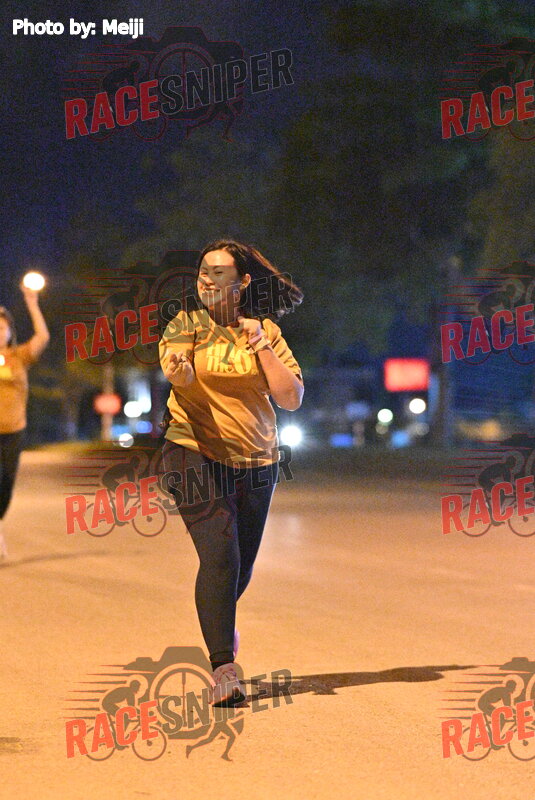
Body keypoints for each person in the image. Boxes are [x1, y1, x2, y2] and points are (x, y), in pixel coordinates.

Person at [159, 239, 304, 706]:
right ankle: (223, 668)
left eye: (219, 272)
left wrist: (260, 343)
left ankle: (221, 621)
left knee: (239, 567)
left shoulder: (266, 331)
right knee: (220, 556)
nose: (207, 279)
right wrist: (181, 371)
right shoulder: (185, 325)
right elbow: (180, 375)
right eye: (203, 271)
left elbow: (291, 397)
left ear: (241, 283)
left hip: (257, 461)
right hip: (192, 451)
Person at [0, 286, 50, 558]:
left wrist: (32, 303)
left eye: (2, 328)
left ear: (9, 332)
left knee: (6, 483)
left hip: (14, 429)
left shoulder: (19, 356)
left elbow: (42, 337)